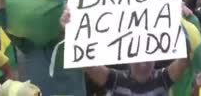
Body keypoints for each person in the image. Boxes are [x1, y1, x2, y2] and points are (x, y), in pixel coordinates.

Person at [60, 8, 189, 96]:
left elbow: (185, 58)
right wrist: (72, 30)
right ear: (128, 59)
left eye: (148, 58)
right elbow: (89, 65)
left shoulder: (162, 78)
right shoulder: (116, 80)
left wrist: (182, 22)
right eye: (137, 58)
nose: (143, 64)